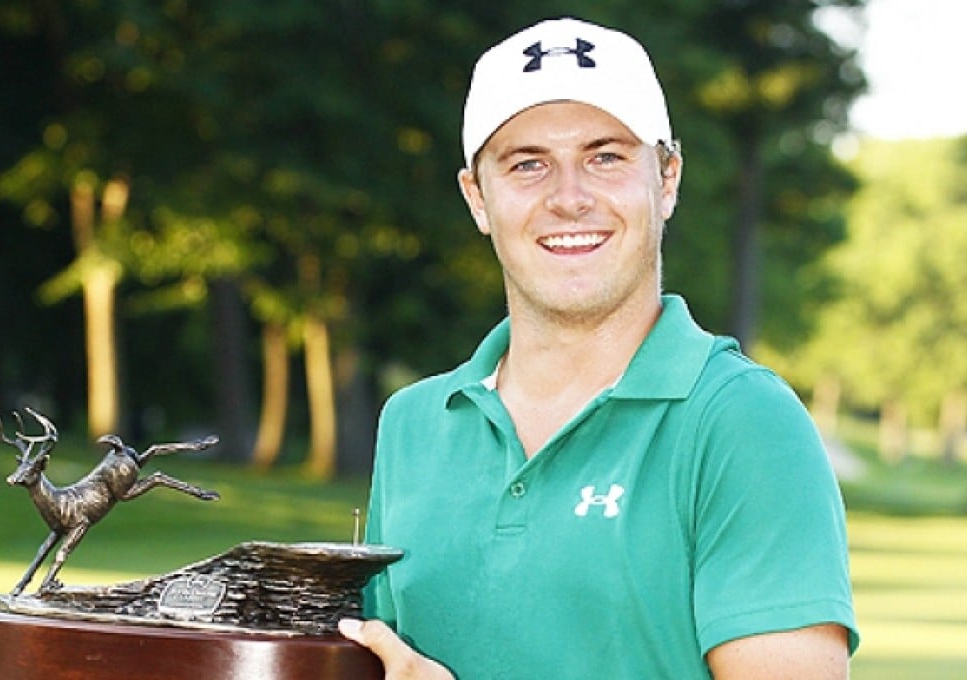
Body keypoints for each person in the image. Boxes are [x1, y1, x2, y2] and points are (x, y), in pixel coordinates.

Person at [339, 16, 859, 679]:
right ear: (477, 198)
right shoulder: (413, 424)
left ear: (666, 179)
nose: (569, 199)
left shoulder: (742, 420)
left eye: (605, 157)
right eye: (528, 164)